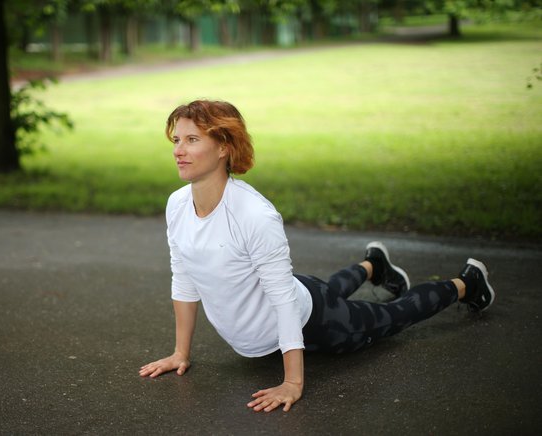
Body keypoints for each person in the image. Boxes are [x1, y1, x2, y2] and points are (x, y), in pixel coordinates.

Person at [138, 99, 496, 413]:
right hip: (295, 295)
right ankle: (374, 266)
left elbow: (282, 298)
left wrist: (292, 383)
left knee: (391, 316)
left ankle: (467, 284)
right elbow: (184, 276)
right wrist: (180, 353)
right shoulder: (177, 204)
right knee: (319, 287)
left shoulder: (254, 215)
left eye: (192, 140)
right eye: (176, 140)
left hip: (314, 318)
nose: (178, 150)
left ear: (223, 148)